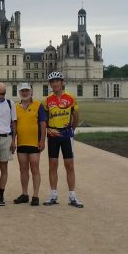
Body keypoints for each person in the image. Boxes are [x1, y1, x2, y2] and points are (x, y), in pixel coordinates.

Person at [42, 71, 84, 208]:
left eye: (57, 81)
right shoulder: (47, 100)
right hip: (53, 135)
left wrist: (72, 129)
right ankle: (53, 194)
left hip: (66, 135)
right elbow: (44, 119)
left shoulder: (71, 98)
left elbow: (76, 115)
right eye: (52, 82)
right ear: (50, 84)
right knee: (53, 165)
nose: (55, 84)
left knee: (69, 165)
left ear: (62, 82)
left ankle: (72, 195)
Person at [13, 82, 47, 206]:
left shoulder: (38, 105)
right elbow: (14, 125)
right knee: (23, 169)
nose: (25, 93)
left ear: (31, 92)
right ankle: (24, 194)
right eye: (22, 91)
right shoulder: (16, 107)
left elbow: (43, 124)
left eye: (27, 90)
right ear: (19, 93)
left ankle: (36, 195)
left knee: (35, 168)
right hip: (21, 142)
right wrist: (13, 141)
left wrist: (42, 140)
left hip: (34, 143)